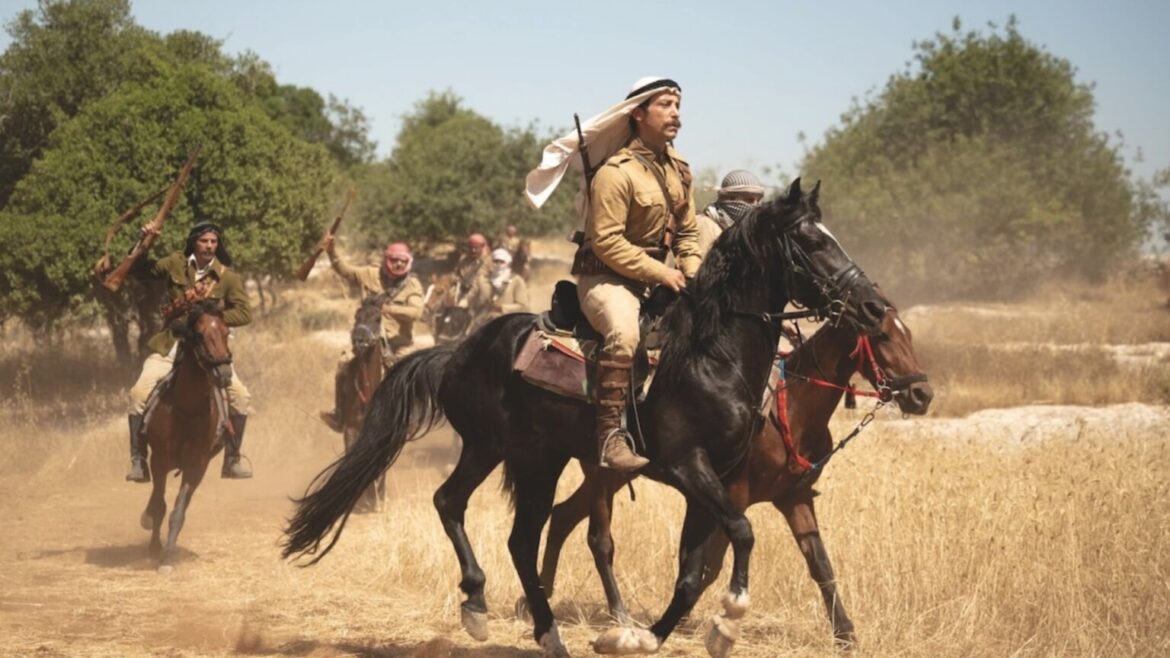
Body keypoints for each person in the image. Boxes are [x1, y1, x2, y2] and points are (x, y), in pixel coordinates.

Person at [571, 77, 701, 472]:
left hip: (659, 278)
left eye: (678, 105)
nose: (675, 113)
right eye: (665, 105)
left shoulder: (680, 170)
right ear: (639, 114)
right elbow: (606, 242)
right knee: (625, 333)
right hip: (606, 278)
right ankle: (610, 436)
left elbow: (688, 233)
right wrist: (661, 273)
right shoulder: (616, 172)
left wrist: (693, 274)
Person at [124, 221, 253, 482]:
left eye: (213, 242)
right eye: (204, 241)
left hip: (208, 349)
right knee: (138, 393)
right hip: (173, 342)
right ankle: (139, 460)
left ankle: (232, 459)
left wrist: (210, 322)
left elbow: (244, 313)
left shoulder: (227, 277)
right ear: (194, 242)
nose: (209, 246)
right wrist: (143, 241)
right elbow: (141, 270)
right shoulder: (175, 264)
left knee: (240, 396)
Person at [319, 237, 425, 432]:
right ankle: (339, 413)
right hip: (366, 339)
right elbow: (345, 270)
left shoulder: (412, 285)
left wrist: (390, 309)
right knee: (343, 364)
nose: (398, 264)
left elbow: (416, 312)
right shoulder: (370, 274)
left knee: (411, 372)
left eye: (402, 261)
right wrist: (331, 251)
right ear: (386, 259)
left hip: (398, 344)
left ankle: (411, 416)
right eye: (394, 260)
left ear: (408, 262)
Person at [696, 170, 766, 257]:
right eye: (750, 200)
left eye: (758, 201)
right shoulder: (706, 225)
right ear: (730, 199)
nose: (755, 206)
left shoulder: (744, 233)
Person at [468, 248, 530, 329]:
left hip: (507, 322)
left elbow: (523, 306)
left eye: (501, 262)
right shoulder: (482, 280)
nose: (498, 264)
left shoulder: (517, 281)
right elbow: (469, 298)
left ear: (507, 263)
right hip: (482, 321)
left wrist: (502, 308)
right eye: (496, 261)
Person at [452, 232, 492, 312]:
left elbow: (481, 284)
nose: (473, 250)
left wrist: (466, 300)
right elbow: (456, 273)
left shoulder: (488, 261)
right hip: (461, 291)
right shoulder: (463, 259)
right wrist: (455, 279)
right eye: (471, 247)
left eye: (476, 248)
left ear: (482, 247)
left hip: (478, 296)